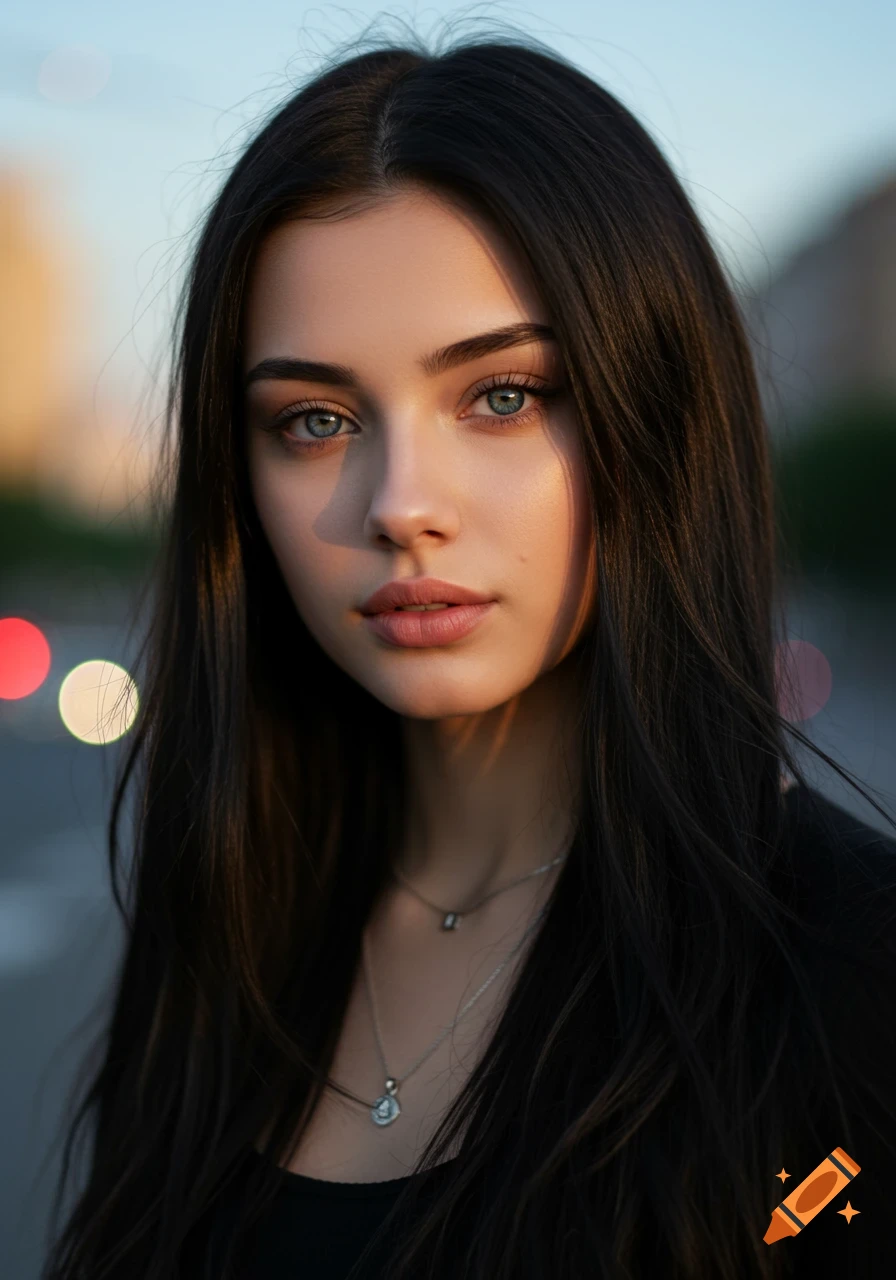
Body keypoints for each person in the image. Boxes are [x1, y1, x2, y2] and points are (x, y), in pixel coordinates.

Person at [41, 26, 896, 1280]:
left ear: (649, 410)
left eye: (502, 395)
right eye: (315, 420)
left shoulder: (852, 969)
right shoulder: (229, 928)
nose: (399, 502)